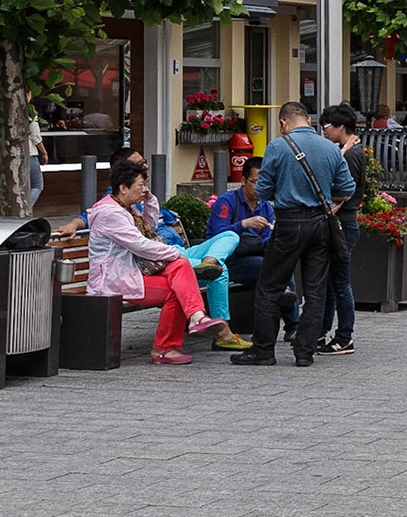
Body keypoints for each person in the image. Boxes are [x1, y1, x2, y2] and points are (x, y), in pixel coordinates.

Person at [231, 103, 356, 368]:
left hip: (288, 222)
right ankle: (305, 352)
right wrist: (320, 196)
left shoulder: (278, 146)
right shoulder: (330, 148)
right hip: (321, 223)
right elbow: (347, 188)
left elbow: (262, 189)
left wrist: (285, 191)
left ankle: (264, 350)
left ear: (284, 122)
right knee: (316, 289)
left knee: (270, 287)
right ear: (309, 120)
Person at [87, 162, 227, 364]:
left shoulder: (125, 207)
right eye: (141, 185)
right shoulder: (110, 213)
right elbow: (139, 244)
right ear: (123, 188)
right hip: (113, 279)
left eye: (145, 185)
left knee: (180, 268)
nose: (144, 189)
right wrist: (174, 253)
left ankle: (198, 317)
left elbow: (150, 226)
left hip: (133, 271)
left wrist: (150, 199)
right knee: (175, 288)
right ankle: (164, 348)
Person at [207, 156, 296, 341]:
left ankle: (293, 326)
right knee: (272, 270)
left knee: (284, 265)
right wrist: (244, 224)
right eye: (255, 182)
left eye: (265, 183)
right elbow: (218, 235)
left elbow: (268, 239)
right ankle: (286, 310)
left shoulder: (265, 206)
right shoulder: (227, 201)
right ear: (243, 180)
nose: (260, 187)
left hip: (252, 256)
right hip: (226, 260)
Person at [315, 105, 367, 357]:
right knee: (332, 282)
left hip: (343, 224)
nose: (324, 132)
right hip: (343, 223)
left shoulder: (351, 155)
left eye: (326, 127)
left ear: (340, 127)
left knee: (340, 283)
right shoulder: (348, 150)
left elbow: (345, 191)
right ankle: (322, 331)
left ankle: (344, 336)